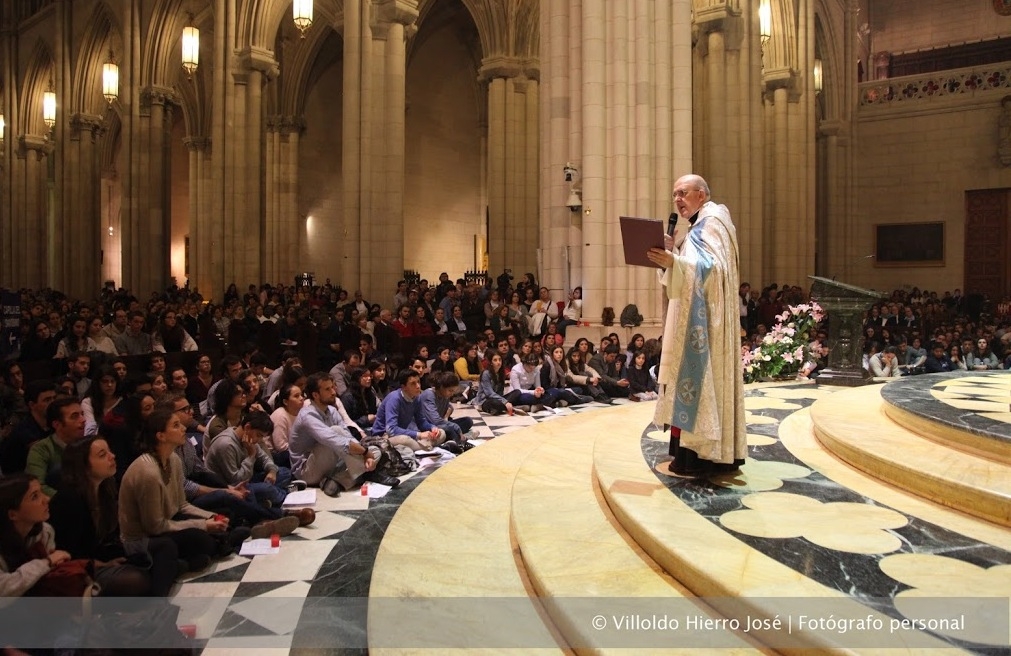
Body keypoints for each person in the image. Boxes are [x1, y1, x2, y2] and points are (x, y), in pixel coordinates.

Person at [647, 173, 746, 477]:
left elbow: (714, 272)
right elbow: (696, 270)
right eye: (675, 194)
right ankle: (688, 454)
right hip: (690, 317)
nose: (677, 199)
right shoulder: (697, 228)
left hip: (706, 326)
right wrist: (673, 255)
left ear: (701, 195)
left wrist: (674, 262)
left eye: (683, 193)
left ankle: (701, 457)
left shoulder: (712, 223)